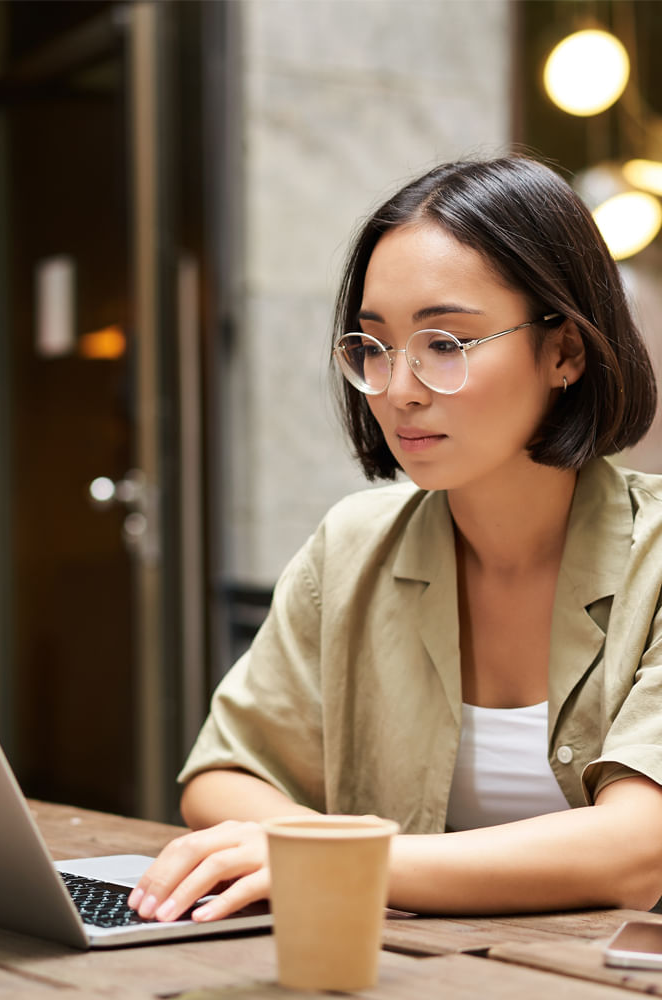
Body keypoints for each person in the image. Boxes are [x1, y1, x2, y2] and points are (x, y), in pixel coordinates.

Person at [129, 154, 662, 923]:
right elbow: (221, 776)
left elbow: (635, 853)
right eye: (374, 347)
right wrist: (319, 852)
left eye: (445, 344)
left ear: (565, 352)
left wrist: (324, 859)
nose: (399, 388)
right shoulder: (353, 545)